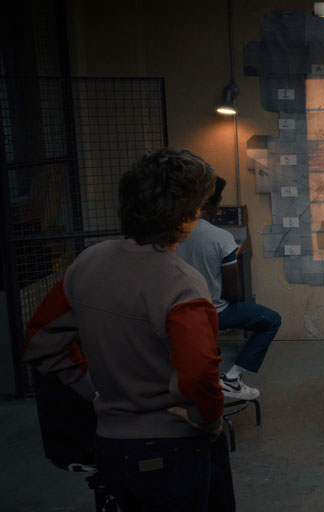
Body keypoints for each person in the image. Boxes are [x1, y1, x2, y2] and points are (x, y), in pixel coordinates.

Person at [23, 147, 233, 511]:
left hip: (109, 444)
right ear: (181, 213)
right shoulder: (182, 283)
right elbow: (200, 371)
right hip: (172, 447)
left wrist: (91, 392)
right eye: (198, 206)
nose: (200, 214)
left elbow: (41, 340)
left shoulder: (87, 261)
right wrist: (208, 420)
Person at [177, 176, 281, 400]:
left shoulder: (169, 235)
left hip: (177, 314)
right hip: (215, 313)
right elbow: (232, 293)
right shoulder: (221, 237)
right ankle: (232, 378)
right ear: (212, 205)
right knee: (271, 319)